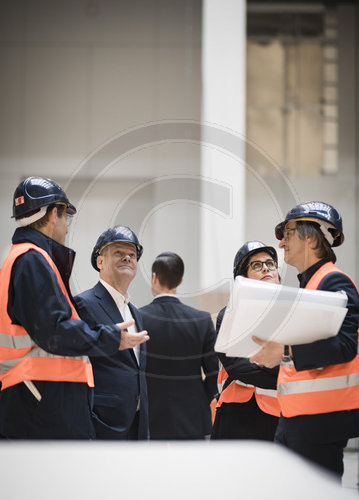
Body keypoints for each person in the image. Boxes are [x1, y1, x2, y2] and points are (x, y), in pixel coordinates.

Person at [0, 176, 148, 439]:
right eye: (66, 217)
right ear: (53, 215)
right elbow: (55, 331)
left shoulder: (25, 258)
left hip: (36, 397)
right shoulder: (32, 260)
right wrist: (112, 337)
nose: (67, 227)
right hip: (39, 399)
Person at [251, 201, 359, 478]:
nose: (282, 243)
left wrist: (284, 352)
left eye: (287, 233)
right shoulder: (310, 284)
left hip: (321, 420)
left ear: (310, 237)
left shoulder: (334, 282)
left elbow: (346, 346)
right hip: (297, 417)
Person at [75, 225, 149, 440]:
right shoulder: (84, 304)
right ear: (100, 262)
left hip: (138, 420)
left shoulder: (135, 312)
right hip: (102, 420)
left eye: (132, 255)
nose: (127, 258)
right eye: (118, 252)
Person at [140, 252, 218, 439]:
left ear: (154, 278)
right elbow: (213, 373)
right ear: (181, 280)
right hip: (192, 416)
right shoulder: (202, 320)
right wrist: (201, 399)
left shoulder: (138, 317)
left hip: (150, 416)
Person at [211, 241, 280, 440]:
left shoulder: (291, 312)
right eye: (257, 265)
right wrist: (281, 375)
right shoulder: (230, 314)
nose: (266, 267)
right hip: (235, 414)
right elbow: (238, 367)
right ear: (242, 277)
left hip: (278, 415)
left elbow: (299, 362)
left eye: (270, 263)